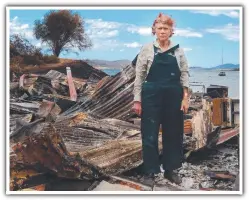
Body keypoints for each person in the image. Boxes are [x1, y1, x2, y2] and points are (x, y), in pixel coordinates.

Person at [132, 13, 189, 186]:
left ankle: (170, 170)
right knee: (149, 134)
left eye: (166, 28)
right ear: (154, 30)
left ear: (171, 31)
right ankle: (150, 172)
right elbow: (140, 76)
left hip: (174, 95)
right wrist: (137, 100)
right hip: (151, 95)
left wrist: (185, 97)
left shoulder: (179, 50)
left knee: (173, 133)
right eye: (159, 28)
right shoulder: (147, 49)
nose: (162, 31)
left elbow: (185, 74)